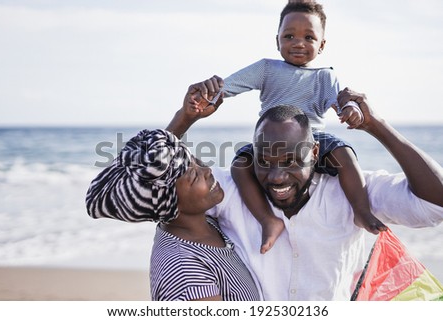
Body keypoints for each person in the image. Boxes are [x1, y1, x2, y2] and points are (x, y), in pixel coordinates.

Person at [171, 75, 443, 300]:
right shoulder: (230, 190)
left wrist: (376, 126)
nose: (277, 177)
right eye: (265, 162)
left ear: (314, 152)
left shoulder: (353, 189)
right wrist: (186, 118)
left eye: (291, 161)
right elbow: (155, 184)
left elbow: (436, 204)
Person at [224, 0, 388, 253]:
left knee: (344, 153)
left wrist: (351, 111)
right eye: (289, 36)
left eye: (309, 37)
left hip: (311, 139)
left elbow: (340, 102)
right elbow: (228, 86)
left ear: (321, 45)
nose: (298, 43)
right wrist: (209, 92)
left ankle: (361, 211)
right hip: (271, 143)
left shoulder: (325, 75)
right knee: (240, 164)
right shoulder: (266, 68)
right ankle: (268, 220)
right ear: (277, 40)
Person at [85, 85, 261, 301]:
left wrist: (186, 117)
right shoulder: (185, 272)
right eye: (195, 176)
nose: (207, 170)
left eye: (197, 162)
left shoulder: (202, 224)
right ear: (169, 203)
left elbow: (158, 171)